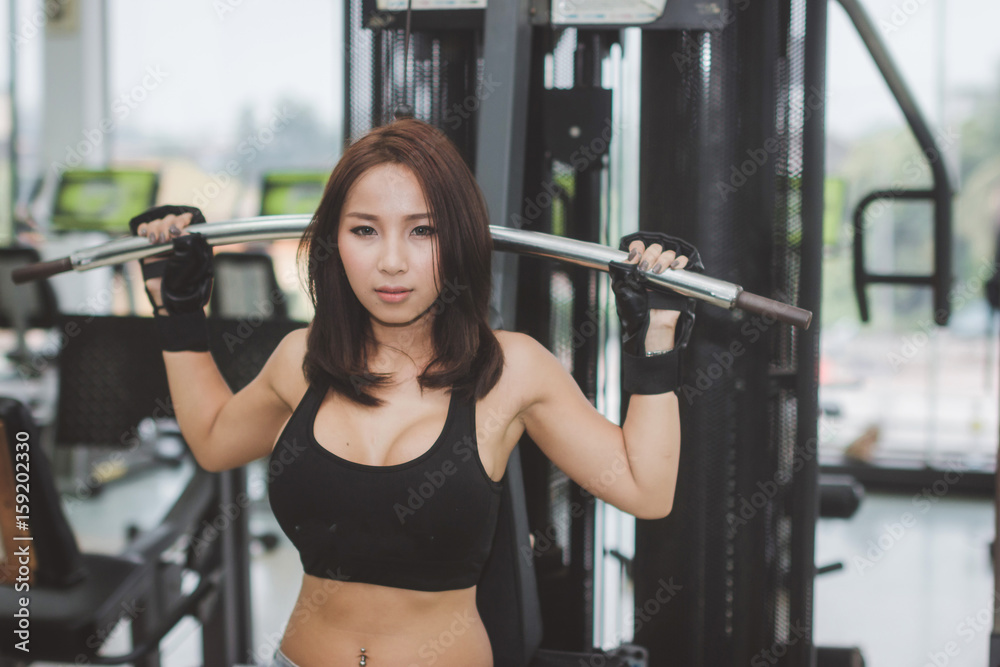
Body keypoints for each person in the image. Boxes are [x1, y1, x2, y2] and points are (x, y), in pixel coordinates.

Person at [129, 118, 701, 667]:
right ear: (333, 242)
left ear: (457, 240)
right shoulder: (301, 360)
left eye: (421, 230)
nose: (392, 262)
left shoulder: (512, 367)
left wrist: (655, 341)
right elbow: (211, 442)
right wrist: (177, 311)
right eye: (364, 230)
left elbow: (645, 490)